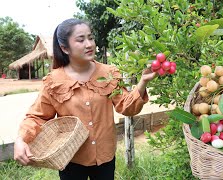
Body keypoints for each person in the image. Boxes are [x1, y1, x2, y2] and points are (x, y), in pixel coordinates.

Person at [13, 18, 157, 180]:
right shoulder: (54, 81)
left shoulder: (108, 73)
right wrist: (21, 139)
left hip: (105, 157)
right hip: (71, 159)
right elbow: (36, 116)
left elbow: (127, 107)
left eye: (91, 37)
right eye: (81, 40)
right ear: (64, 48)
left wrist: (143, 82)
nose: (89, 44)